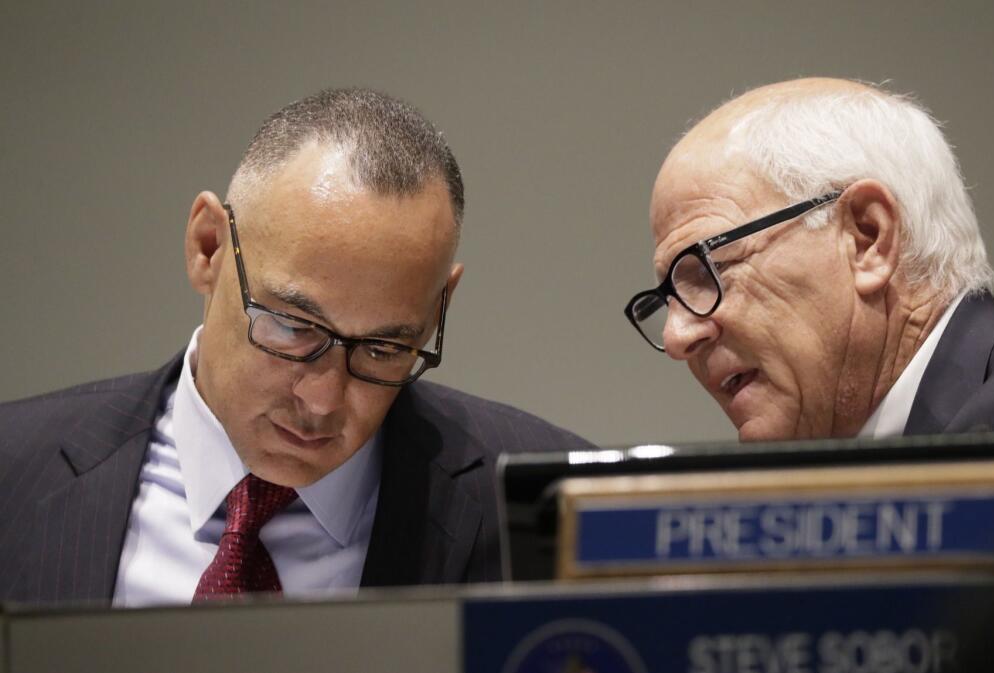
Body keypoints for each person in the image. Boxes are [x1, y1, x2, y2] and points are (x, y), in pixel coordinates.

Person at [0, 88, 588, 607]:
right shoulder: (15, 472)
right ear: (207, 248)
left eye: (384, 348)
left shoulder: (555, 516)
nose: (324, 399)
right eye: (291, 325)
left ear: (439, 309)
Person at [624, 77, 994, 441]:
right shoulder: (823, 463)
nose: (677, 338)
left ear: (868, 238)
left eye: (708, 272)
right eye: (667, 299)